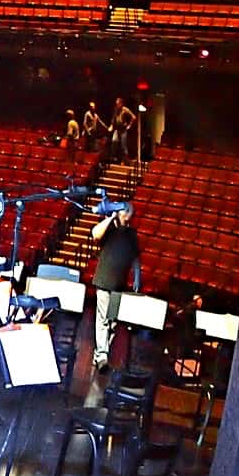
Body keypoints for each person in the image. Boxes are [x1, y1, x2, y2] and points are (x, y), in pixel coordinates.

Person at [90, 202, 142, 371]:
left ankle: (100, 354)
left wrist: (137, 277)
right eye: (125, 212)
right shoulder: (109, 228)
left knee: (112, 323)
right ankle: (102, 356)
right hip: (104, 280)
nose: (127, 215)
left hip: (119, 284)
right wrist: (110, 217)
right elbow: (95, 234)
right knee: (103, 319)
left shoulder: (131, 234)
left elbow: (136, 257)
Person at [111, 97, 139, 162]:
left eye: (118, 104)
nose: (117, 105)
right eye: (116, 104)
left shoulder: (125, 109)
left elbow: (133, 117)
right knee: (114, 140)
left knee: (123, 145)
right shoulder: (115, 110)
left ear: (121, 104)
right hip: (117, 129)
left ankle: (125, 158)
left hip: (123, 129)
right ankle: (113, 156)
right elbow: (113, 118)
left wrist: (129, 125)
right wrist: (112, 125)